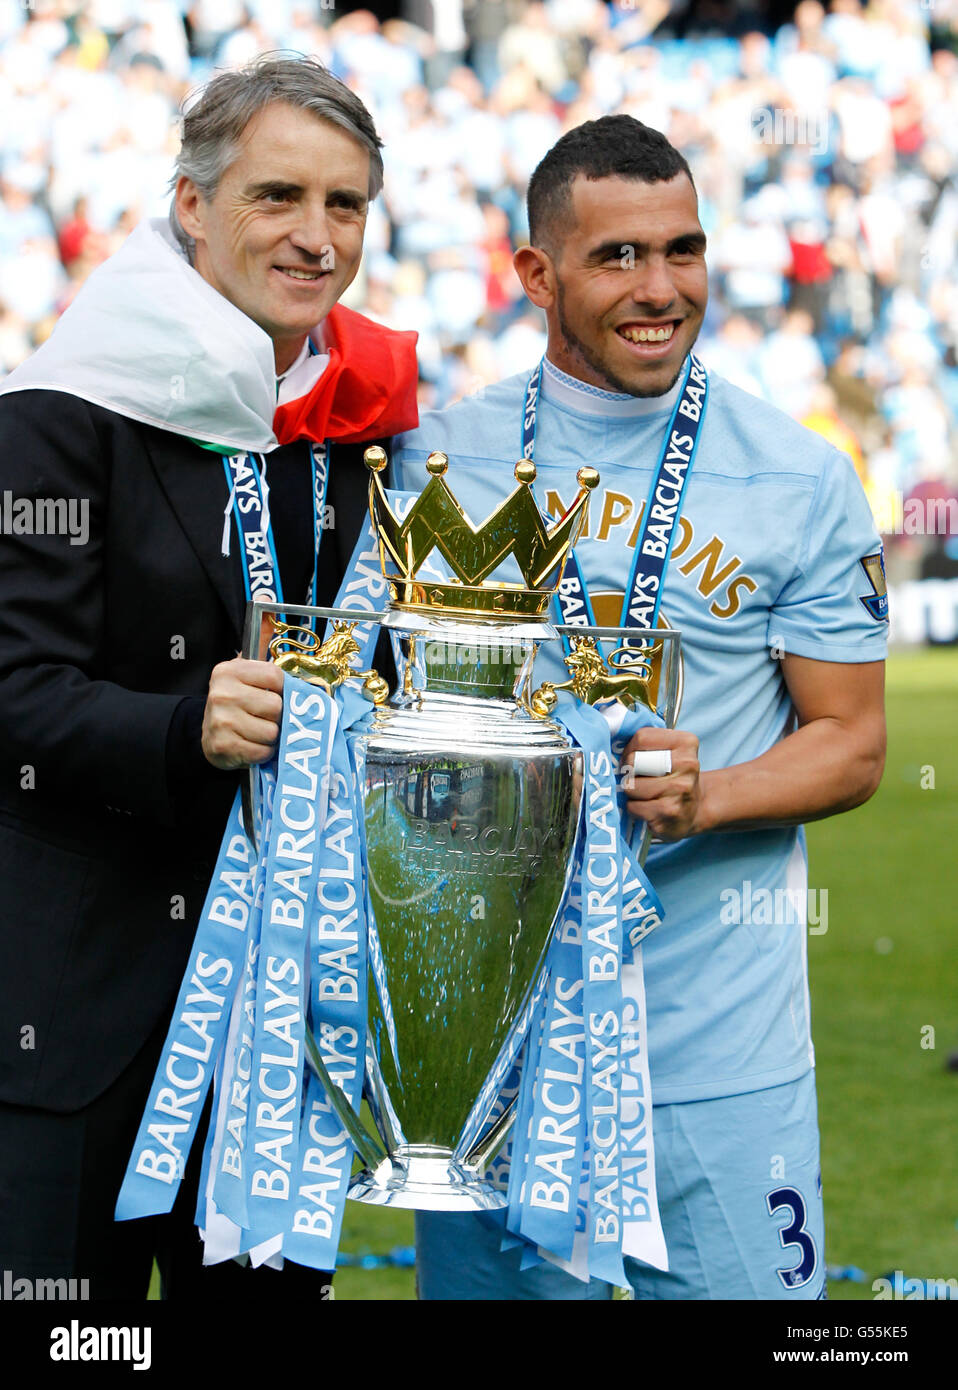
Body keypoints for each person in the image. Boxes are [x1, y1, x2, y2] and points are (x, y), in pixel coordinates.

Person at [391, 114, 887, 1300]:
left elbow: (855, 742)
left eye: (684, 249)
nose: (660, 288)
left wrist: (708, 793)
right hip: (495, 1056)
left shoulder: (797, 471)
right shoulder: (434, 460)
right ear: (536, 273)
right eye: (617, 257)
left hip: (718, 1058)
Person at [0, 56, 417, 1300]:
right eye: (277, 195)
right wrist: (185, 728)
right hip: (80, 1009)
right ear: (191, 204)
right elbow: (14, 688)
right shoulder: (59, 413)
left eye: (346, 206)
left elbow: (377, 668)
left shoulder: (364, 428)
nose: (315, 236)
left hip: (282, 1015)